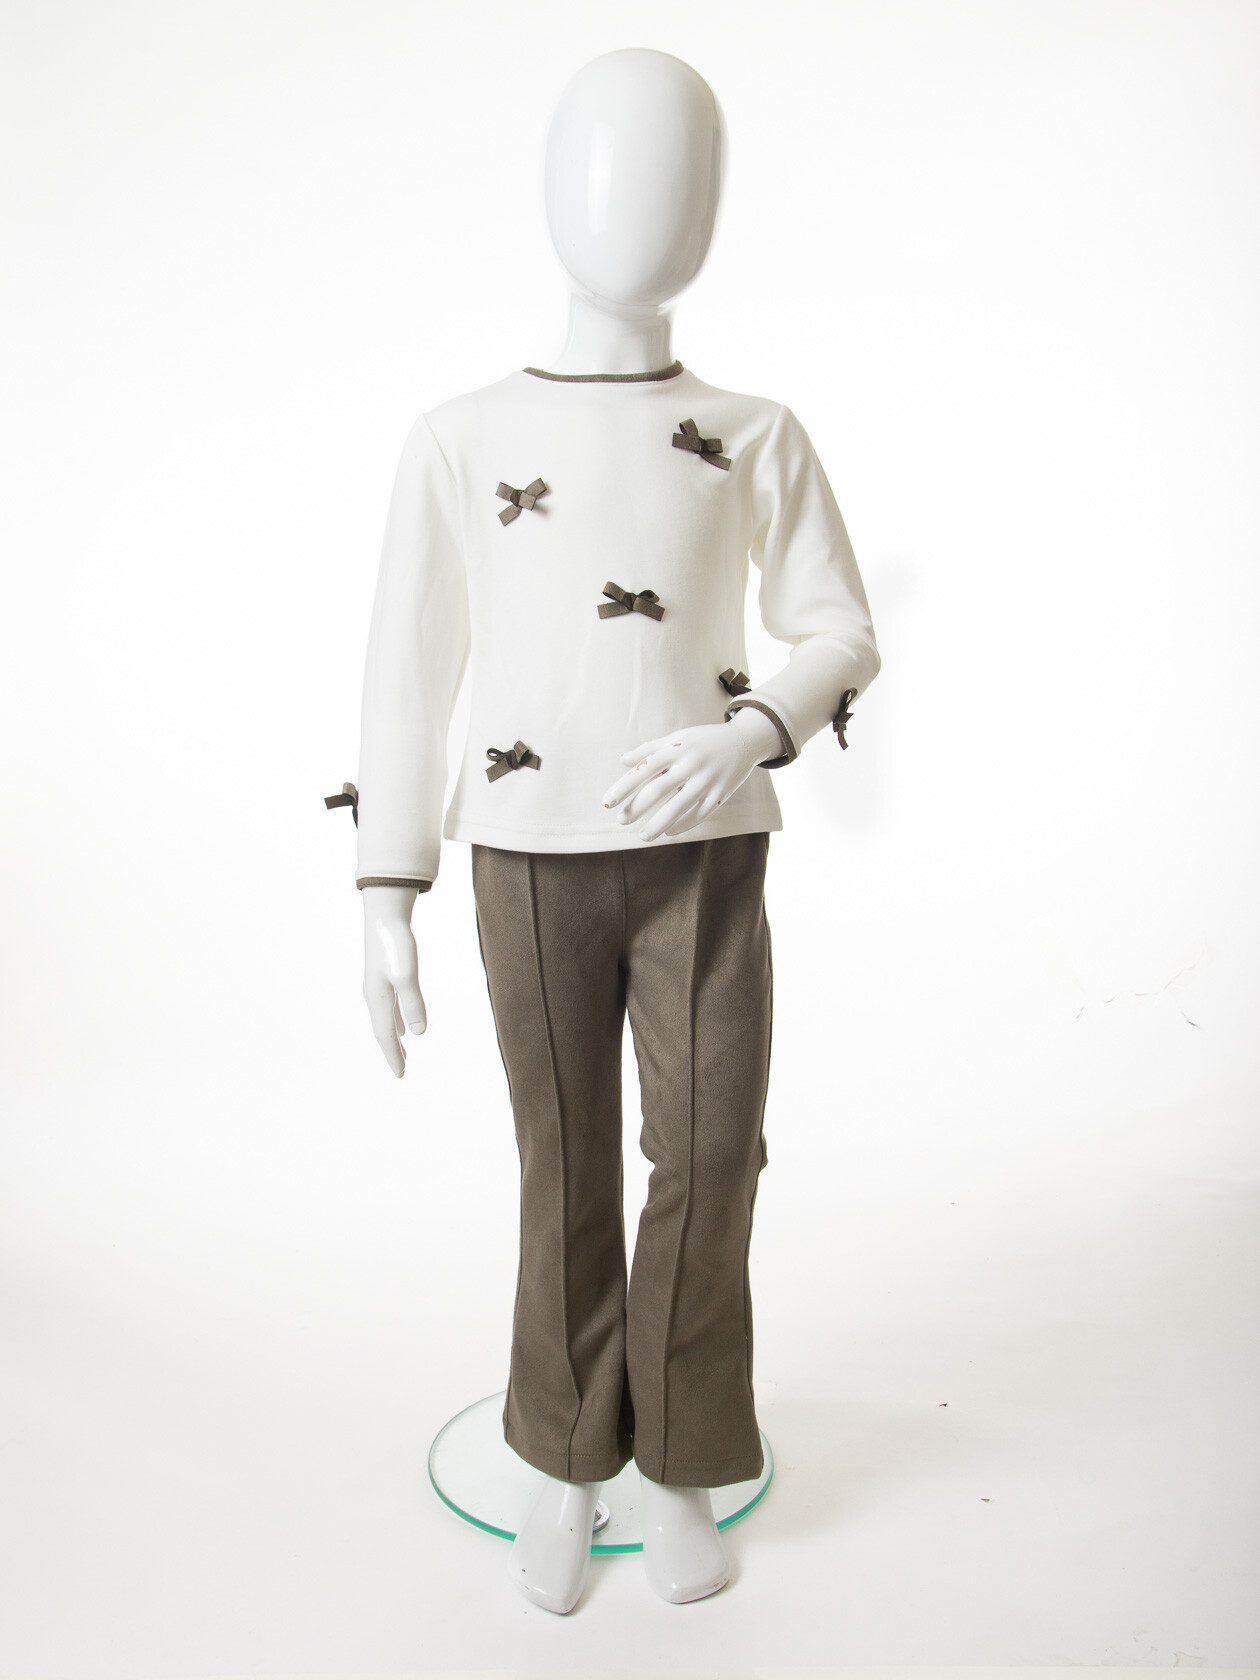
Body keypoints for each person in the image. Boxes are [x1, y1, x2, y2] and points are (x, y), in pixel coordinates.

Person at [334, 47, 880, 1614]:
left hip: (708, 848)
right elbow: (407, 671)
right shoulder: (458, 436)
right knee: (562, 1159)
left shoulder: (755, 429)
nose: (641, 200)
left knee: (710, 1153)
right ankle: (568, 1453)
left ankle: (687, 1449)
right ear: (548, 187)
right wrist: (386, 890)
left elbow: (840, 628)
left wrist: (752, 732)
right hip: (525, 851)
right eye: (612, 159)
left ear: (717, 203)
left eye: (680, 169)